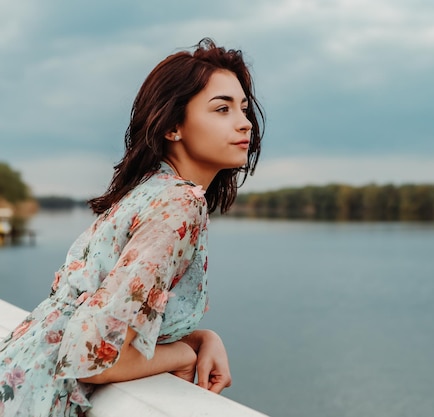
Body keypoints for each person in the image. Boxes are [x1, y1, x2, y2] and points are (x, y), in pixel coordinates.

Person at [0, 37, 264, 417]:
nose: (244, 122)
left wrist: (203, 336)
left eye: (243, 108)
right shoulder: (179, 203)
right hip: (38, 400)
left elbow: (106, 317)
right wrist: (184, 353)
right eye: (222, 109)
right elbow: (94, 356)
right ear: (173, 126)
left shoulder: (151, 191)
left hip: (22, 373)